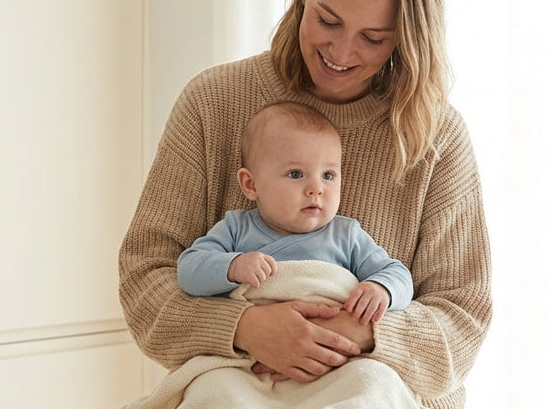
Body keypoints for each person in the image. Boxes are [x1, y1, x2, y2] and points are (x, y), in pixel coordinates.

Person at [119, 0, 492, 409]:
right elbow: (146, 276)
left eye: (373, 38)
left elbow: (463, 315)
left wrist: (358, 335)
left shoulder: (436, 137)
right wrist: (245, 328)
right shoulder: (214, 102)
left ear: (406, 36)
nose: (341, 51)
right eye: (328, 21)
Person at [177, 101, 413, 326]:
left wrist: (381, 288)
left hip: (333, 347)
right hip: (254, 350)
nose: (316, 189)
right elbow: (188, 270)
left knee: (372, 372)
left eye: (328, 175)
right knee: (213, 371)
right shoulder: (237, 228)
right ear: (251, 185)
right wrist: (233, 266)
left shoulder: (346, 235)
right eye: (296, 174)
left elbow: (397, 274)